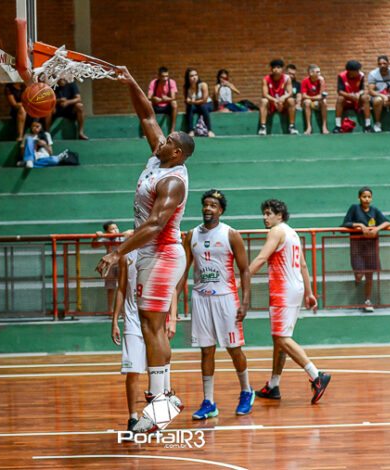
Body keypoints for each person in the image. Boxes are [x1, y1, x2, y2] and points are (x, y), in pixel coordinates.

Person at [96, 66, 194, 434]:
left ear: (177, 152)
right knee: (152, 327)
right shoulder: (158, 157)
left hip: (163, 253)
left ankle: (160, 407)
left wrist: (116, 252)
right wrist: (130, 81)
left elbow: (154, 225)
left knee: (153, 328)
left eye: (168, 139)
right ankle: (165, 399)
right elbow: (147, 115)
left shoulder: (173, 181)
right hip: (152, 253)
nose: (161, 139)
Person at [179, 190, 254, 420]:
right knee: (206, 350)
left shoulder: (231, 234)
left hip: (226, 298)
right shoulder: (191, 235)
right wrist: (174, 301)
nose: (208, 208)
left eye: (213, 205)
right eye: (205, 204)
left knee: (233, 348)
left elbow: (245, 270)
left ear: (220, 210)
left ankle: (246, 391)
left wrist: (245, 302)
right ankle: (209, 402)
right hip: (201, 298)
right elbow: (183, 270)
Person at [249, 199, 331, 404]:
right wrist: (309, 293)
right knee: (279, 339)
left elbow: (261, 258)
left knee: (282, 338)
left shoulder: (276, 231)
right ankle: (273, 385)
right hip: (295, 289)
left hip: (283, 290)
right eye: (264, 213)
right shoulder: (292, 233)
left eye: (269, 213)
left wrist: (241, 279)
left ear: (280, 215)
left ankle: (316, 375)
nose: (265, 217)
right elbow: (303, 265)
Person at [110, 249, 149, 433]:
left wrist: (171, 317)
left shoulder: (159, 252)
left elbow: (170, 288)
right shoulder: (127, 256)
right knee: (133, 371)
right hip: (133, 321)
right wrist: (114, 321)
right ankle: (133, 418)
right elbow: (121, 288)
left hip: (154, 321)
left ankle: (155, 418)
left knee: (156, 372)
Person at [341, 187, 390, 312]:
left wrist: (376, 229)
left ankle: (367, 300)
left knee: (369, 275)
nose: (367, 199)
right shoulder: (354, 208)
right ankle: (358, 289)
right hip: (357, 247)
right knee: (359, 274)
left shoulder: (374, 210)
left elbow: (387, 222)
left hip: (371, 248)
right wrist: (360, 225)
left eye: (369, 197)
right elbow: (345, 224)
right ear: (359, 197)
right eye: (364, 196)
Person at [93, 222, 133, 312]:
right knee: (110, 288)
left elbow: (134, 232)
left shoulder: (122, 237)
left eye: (116, 228)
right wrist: (96, 237)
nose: (115, 230)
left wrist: (129, 231)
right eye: (112, 229)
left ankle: (124, 310)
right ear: (107, 231)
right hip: (110, 265)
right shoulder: (105, 239)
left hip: (122, 264)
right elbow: (94, 245)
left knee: (124, 287)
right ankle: (110, 310)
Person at [258, 59, 299, 135]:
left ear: (282, 69)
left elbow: (290, 93)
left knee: (291, 100)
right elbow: (265, 94)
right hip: (271, 103)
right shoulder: (266, 79)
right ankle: (263, 127)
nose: (276, 69)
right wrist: (275, 100)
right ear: (271, 69)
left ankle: (292, 126)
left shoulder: (287, 78)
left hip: (283, 103)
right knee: (263, 101)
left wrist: (283, 98)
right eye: (274, 67)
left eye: (278, 67)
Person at [333, 60, 373, 133]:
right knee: (340, 98)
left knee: (365, 97)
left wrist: (358, 94)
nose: (358, 72)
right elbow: (340, 91)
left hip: (357, 100)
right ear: (350, 71)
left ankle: (368, 126)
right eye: (357, 70)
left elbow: (362, 89)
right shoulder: (341, 76)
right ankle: (338, 126)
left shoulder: (361, 75)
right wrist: (350, 96)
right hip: (347, 100)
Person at [367, 55, 390, 133]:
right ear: (378, 64)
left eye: (384, 63)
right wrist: (383, 96)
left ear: (388, 63)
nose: (382, 65)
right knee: (378, 100)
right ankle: (377, 124)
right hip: (377, 97)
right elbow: (371, 91)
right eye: (380, 64)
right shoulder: (373, 74)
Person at [183, 68, 215, 137]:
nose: (194, 77)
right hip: (195, 105)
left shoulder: (203, 85)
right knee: (190, 108)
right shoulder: (186, 88)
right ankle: (191, 131)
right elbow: (186, 100)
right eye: (192, 76)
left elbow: (204, 100)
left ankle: (209, 130)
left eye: (196, 75)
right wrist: (187, 100)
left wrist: (192, 101)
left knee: (203, 106)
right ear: (188, 78)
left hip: (207, 104)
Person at [300, 64, 329, 135]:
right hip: (308, 101)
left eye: (319, 72)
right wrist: (314, 98)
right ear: (311, 73)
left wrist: (322, 83)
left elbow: (322, 96)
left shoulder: (321, 80)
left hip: (317, 102)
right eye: (317, 72)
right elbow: (304, 96)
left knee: (324, 102)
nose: (320, 74)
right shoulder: (305, 81)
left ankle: (324, 127)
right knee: (307, 102)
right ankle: (309, 127)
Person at [147, 66, 178, 132]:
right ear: (158, 76)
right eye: (163, 76)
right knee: (149, 103)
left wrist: (165, 99)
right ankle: (149, 129)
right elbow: (148, 97)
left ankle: (172, 130)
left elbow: (173, 98)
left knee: (174, 103)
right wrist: (153, 98)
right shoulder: (153, 83)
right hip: (156, 107)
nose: (165, 78)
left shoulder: (171, 82)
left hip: (167, 107)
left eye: (167, 76)